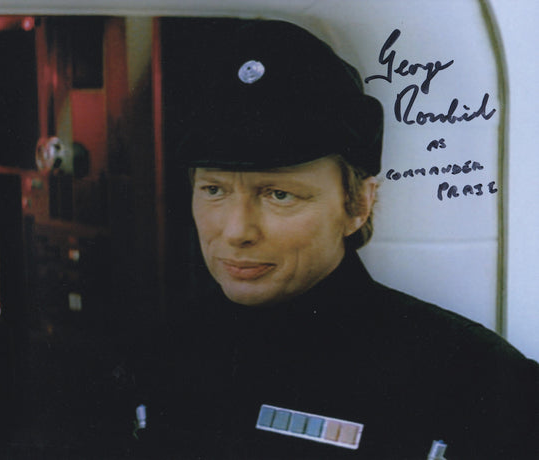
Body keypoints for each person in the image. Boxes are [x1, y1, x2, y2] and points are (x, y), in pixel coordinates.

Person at [134, 18, 539, 459]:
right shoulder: (160, 354)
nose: (236, 232)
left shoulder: (474, 379)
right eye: (214, 190)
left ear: (358, 204)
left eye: (279, 194)